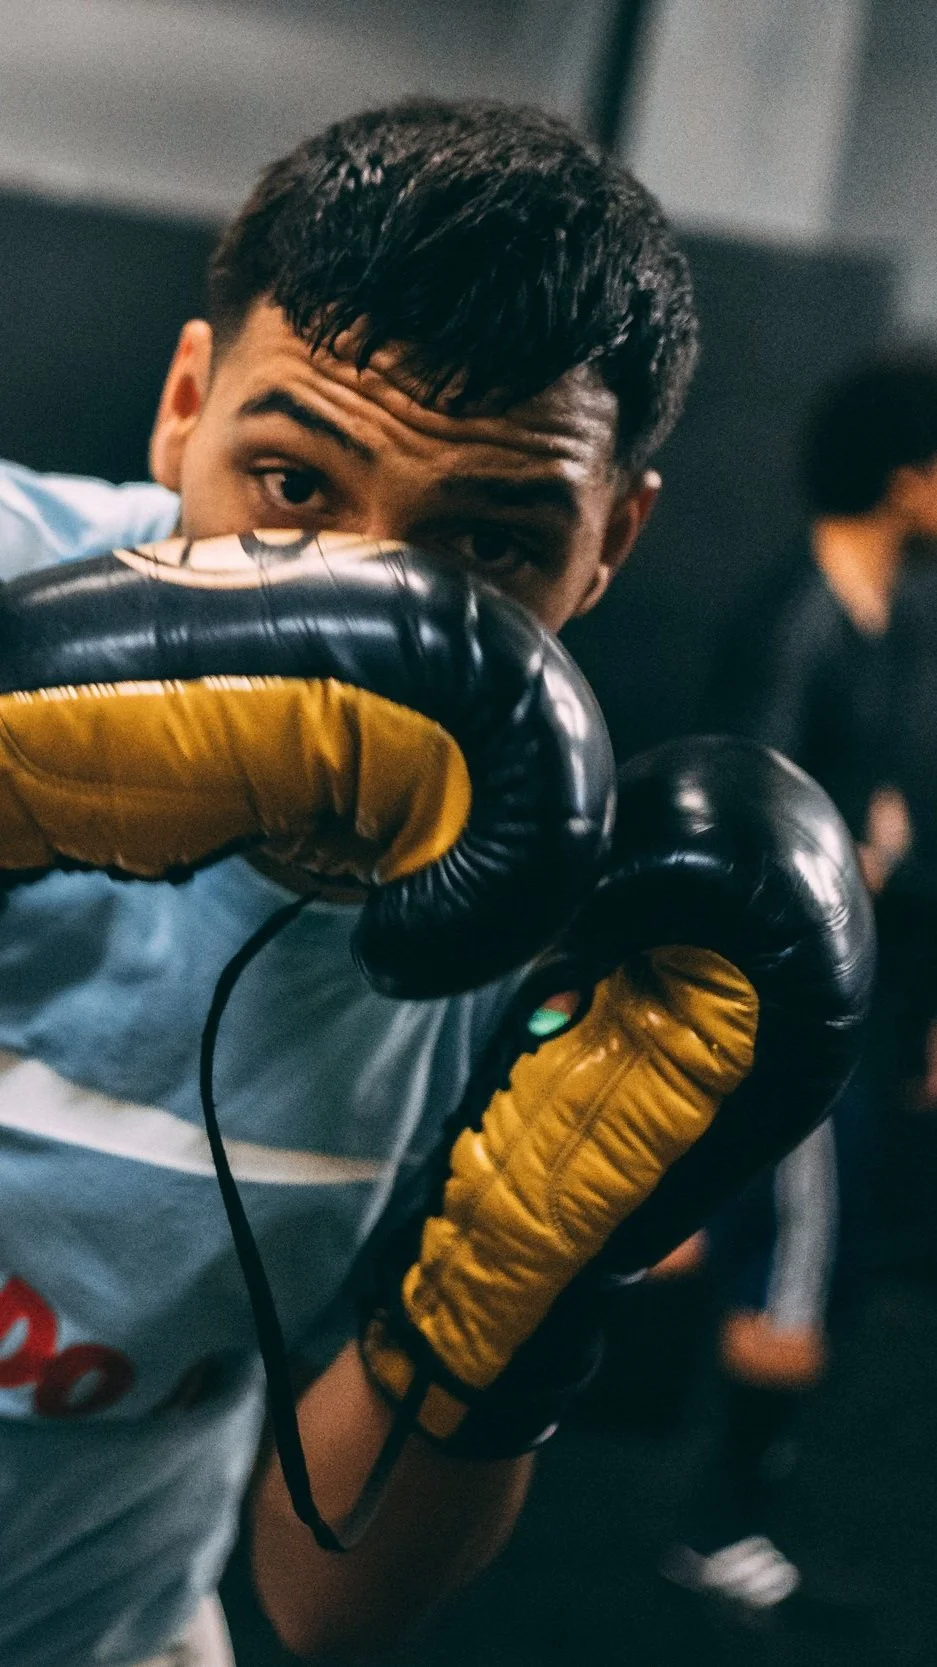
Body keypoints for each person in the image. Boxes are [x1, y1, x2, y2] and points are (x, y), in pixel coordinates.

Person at [0, 98, 700, 1667]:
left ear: (608, 550)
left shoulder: (566, 925)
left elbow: (328, 1597)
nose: (363, 645)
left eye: (485, 551)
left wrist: (519, 1286)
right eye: (295, 490)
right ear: (184, 404)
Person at [661, 352, 937, 1624]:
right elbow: (739, 849)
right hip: (781, 1026)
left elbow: (879, 821)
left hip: (853, 1016)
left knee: (737, 1249)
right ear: (906, 477)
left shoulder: (893, 619)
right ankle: (720, 1525)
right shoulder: (799, 619)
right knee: (794, 1267)